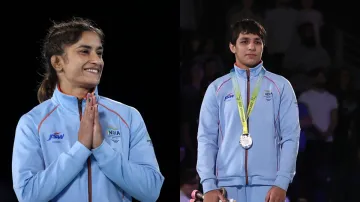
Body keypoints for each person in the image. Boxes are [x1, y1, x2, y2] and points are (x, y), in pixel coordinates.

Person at [11, 17, 164, 202]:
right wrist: (81, 148)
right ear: (58, 62)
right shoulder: (32, 123)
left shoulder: (128, 116)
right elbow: (28, 196)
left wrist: (101, 149)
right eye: (85, 51)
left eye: (99, 53)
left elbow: (151, 191)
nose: (97, 61)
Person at [197, 18, 300, 202]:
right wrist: (208, 185)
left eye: (257, 42)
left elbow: (291, 137)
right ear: (232, 47)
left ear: (263, 47)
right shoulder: (217, 88)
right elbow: (206, 139)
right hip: (225, 187)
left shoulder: (280, 86)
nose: (251, 47)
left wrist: (282, 182)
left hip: (268, 186)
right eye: (244, 41)